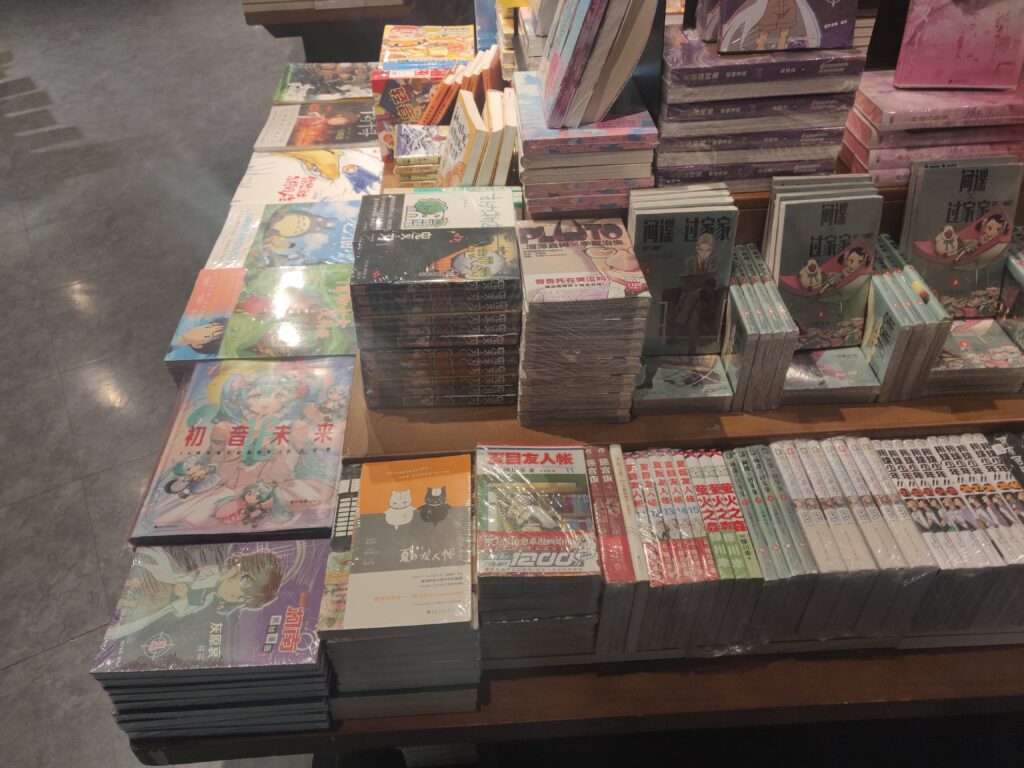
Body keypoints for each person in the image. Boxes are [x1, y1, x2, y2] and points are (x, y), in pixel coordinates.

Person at [108, 548, 284, 641]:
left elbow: (183, 607)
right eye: (241, 594)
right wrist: (183, 588)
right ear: (241, 574)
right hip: (157, 574)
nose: (235, 598)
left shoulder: (208, 598)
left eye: (242, 600)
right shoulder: (210, 564)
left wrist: (183, 596)